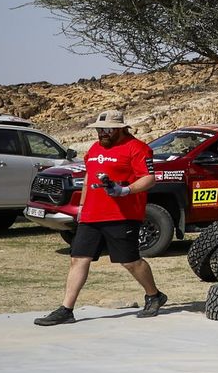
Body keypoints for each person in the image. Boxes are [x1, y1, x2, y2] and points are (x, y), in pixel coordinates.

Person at [35, 109, 168, 325]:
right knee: (78, 259)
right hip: (91, 214)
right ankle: (66, 309)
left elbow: (149, 179)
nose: (102, 134)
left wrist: (124, 190)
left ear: (120, 129)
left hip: (122, 215)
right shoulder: (95, 148)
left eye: (107, 130)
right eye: (99, 129)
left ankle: (154, 295)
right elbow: (89, 177)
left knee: (130, 261)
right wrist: (81, 206)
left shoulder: (138, 148)